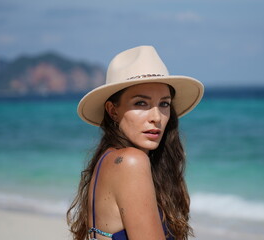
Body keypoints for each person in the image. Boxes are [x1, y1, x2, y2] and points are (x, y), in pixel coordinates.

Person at [67, 46, 204, 240]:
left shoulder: (109, 158)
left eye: (164, 104)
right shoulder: (131, 162)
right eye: (141, 103)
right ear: (113, 111)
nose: (156, 117)